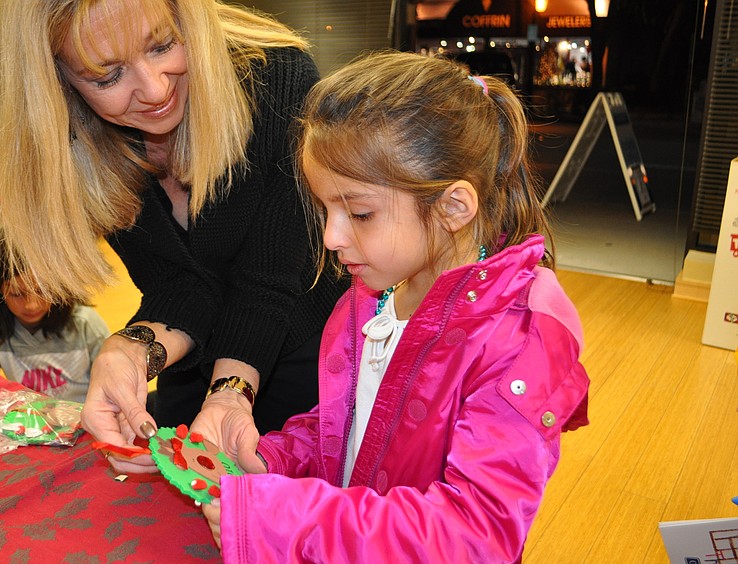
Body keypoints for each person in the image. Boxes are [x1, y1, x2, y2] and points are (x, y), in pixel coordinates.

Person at [202, 51, 591, 562]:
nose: (331, 237)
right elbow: (350, 429)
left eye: (360, 213)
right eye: (325, 209)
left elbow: (474, 535)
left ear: (453, 207)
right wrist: (271, 460)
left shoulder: (519, 340)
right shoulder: (372, 298)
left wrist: (281, 518)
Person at [0, 0, 346, 470]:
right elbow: (180, 283)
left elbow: (268, 278)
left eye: (163, 45)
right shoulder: (79, 141)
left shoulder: (275, 78)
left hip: (308, 349)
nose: (154, 90)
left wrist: (229, 395)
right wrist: (130, 350)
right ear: (57, 85)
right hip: (192, 358)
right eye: (107, 76)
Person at [0, 230, 110, 403]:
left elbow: (111, 382)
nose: (31, 305)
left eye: (42, 291)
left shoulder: (85, 324)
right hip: (28, 419)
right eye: (16, 294)